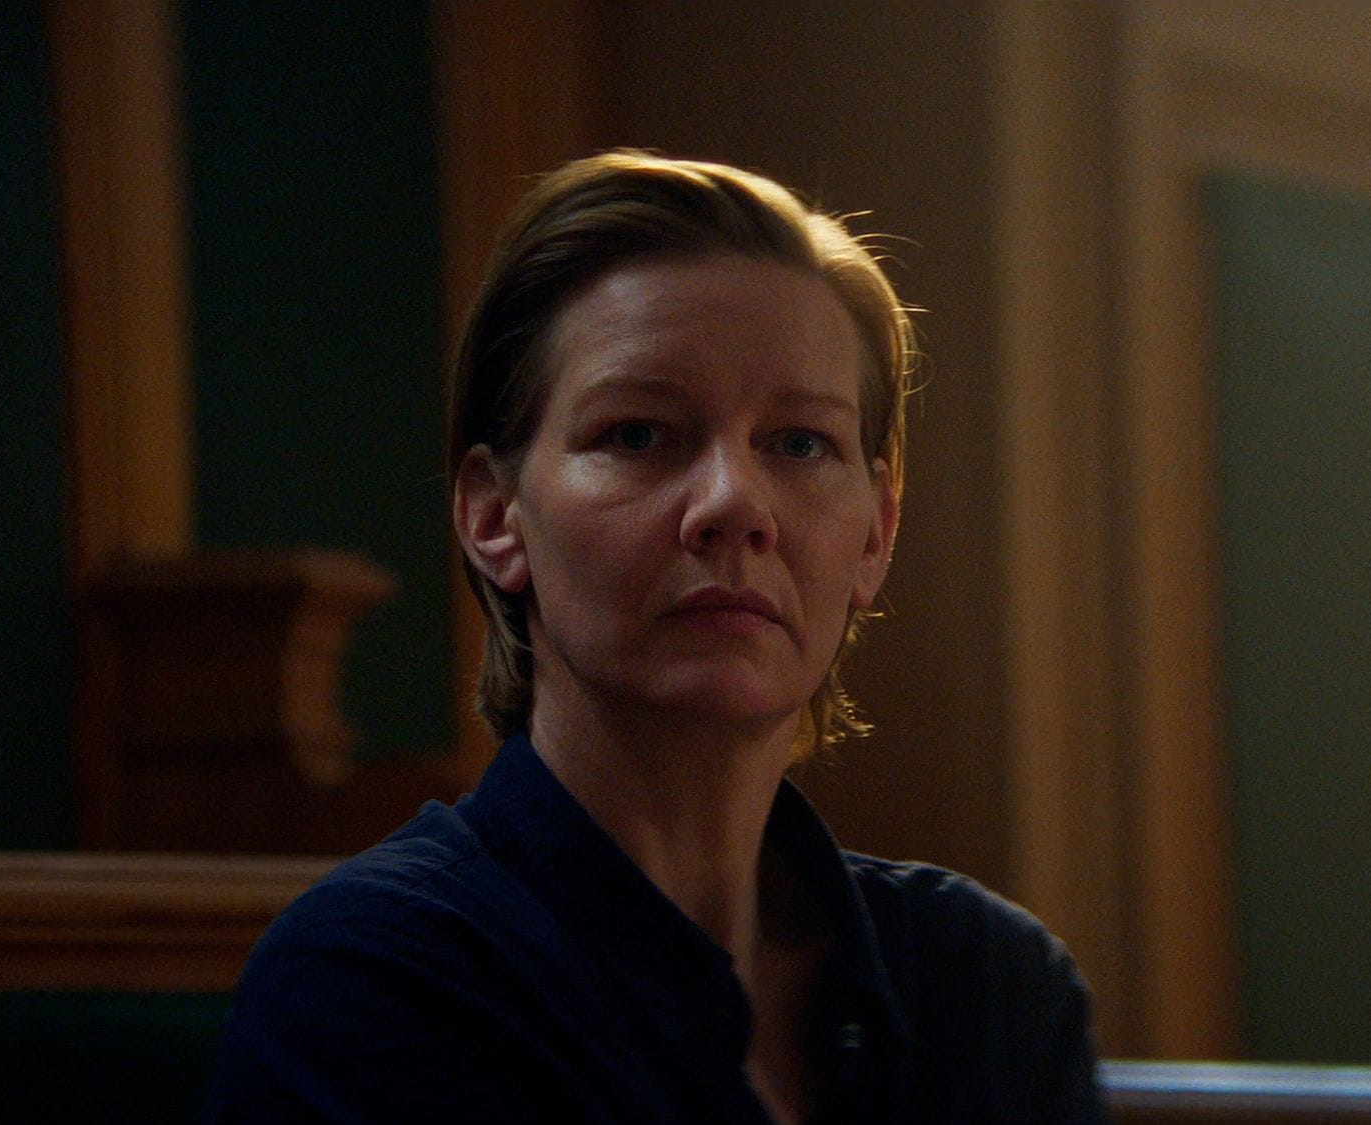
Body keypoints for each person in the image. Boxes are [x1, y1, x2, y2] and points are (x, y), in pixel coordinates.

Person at [205, 150, 1103, 1123]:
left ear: (875, 534)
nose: (732, 506)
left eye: (799, 443)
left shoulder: (986, 987)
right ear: (493, 516)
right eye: (638, 433)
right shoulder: (375, 980)